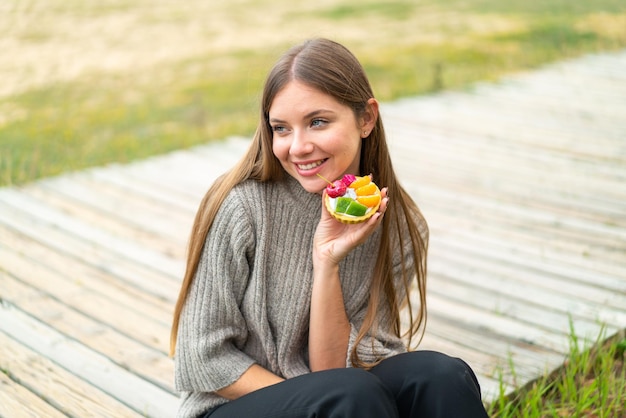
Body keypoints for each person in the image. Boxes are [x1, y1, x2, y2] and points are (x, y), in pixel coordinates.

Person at [170, 38, 489, 418]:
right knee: (350, 394)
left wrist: (327, 262)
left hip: (342, 397)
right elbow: (201, 357)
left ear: (366, 118)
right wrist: (314, 399)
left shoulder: (400, 227)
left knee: (441, 375)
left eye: (317, 122)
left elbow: (333, 370)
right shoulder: (242, 206)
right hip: (231, 408)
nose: (298, 146)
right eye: (281, 129)